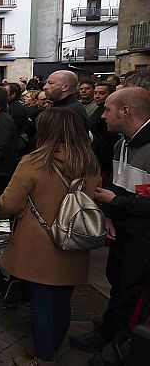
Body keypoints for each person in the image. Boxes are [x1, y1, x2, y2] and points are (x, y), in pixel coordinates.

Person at [0, 109, 101, 366]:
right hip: (75, 241)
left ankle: (43, 358)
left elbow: (9, 204)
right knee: (63, 302)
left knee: (41, 303)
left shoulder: (34, 162)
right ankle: (48, 346)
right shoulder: (90, 162)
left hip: (39, 245)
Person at [69, 88, 150, 355]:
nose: (102, 115)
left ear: (125, 111)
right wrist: (108, 215)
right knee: (117, 281)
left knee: (131, 291)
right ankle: (110, 330)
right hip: (121, 231)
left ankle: (116, 345)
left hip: (143, 238)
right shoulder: (120, 143)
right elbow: (118, 186)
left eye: (107, 110)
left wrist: (115, 203)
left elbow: (124, 196)